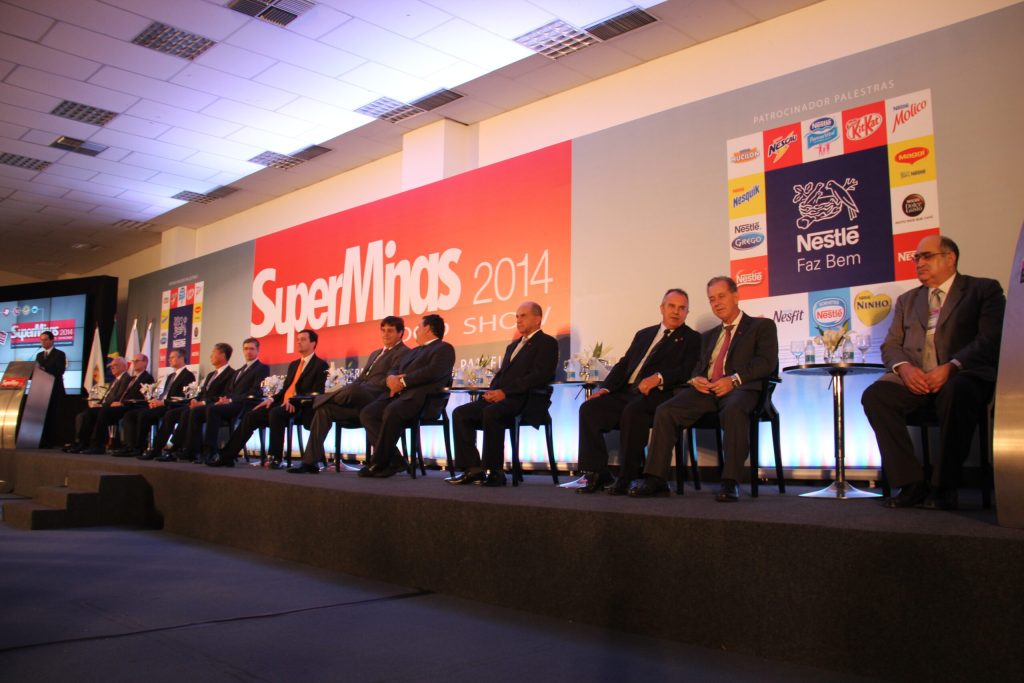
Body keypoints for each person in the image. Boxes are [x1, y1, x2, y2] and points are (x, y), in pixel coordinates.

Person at [861, 234, 1005, 510]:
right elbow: (891, 345)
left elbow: (989, 340)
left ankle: (944, 486)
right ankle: (911, 484)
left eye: (926, 256)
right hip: (916, 379)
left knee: (955, 391)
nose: (919, 263)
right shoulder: (907, 300)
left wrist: (952, 367)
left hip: (961, 376)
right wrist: (905, 369)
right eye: (916, 258)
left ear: (950, 258)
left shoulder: (983, 290)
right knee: (875, 396)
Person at [633, 277, 778, 500]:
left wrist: (734, 380)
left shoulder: (761, 326)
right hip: (707, 391)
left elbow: (765, 362)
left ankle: (730, 481)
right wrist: (695, 380)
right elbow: (696, 368)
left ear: (736, 296)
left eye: (721, 296)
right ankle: (656, 478)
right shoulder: (708, 336)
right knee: (666, 410)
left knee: (734, 409)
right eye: (712, 299)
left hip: (740, 389)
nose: (716, 303)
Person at [574, 289, 701, 494]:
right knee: (590, 409)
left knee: (633, 411)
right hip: (626, 391)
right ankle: (597, 473)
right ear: (662, 308)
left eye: (682, 308)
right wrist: (605, 388)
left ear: (687, 312)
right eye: (671, 306)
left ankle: (628, 476)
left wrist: (659, 378)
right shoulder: (644, 334)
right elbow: (624, 364)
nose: (676, 312)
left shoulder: (692, 338)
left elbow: (687, 370)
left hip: (658, 394)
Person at [448, 302, 559, 487]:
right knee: (460, 413)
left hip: (526, 400)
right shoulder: (513, 346)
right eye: (517, 317)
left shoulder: (547, 343)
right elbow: (501, 375)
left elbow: (540, 375)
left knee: (492, 413)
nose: (518, 320)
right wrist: (492, 391)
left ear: (538, 319)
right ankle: (473, 469)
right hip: (503, 397)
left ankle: (495, 472)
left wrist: (505, 392)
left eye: (523, 316)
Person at [288, 317, 408, 474]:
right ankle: (309, 462)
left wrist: (359, 387)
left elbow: (391, 379)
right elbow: (361, 378)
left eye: (390, 331)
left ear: (400, 333)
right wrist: (354, 387)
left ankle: (316, 400)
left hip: (378, 398)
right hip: (360, 402)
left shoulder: (404, 353)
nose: (385, 334)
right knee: (325, 409)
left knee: (352, 390)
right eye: (383, 330)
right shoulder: (375, 353)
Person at [358, 314, 455, 478]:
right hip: (400, 397)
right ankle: (395, 460)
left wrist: (403, 381)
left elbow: (432, 372)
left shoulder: (444, 348)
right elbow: (395, 368)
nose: (416, 331)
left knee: (392, 411)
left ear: (428, 329)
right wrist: (390, 378)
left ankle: (379, 463)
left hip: (423, 401)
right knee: (368, 413)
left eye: (419, 327)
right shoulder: (414, 351)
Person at [218, 329, 328, 468]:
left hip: (301, 406)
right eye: (298, 339)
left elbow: (317, 393)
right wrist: (271, 399)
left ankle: (275, 458)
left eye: (303, 339)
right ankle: (227, 456)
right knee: (251, 415)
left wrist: (293, 400)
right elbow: (285, 389)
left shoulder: (320, 365)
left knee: (276, 413)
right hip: (283, 403)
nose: (299, 342)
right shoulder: (294, 364)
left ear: (313, 343)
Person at [198, 338, 269, 466]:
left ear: (258, 350)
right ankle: (205, 450)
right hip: (232, 403)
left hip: (245, 404)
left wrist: (231, 399)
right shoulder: (239, 370)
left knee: (213, 409)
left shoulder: (262, 368)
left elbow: (256, 391)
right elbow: (229, 390)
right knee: (209, 408)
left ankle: (210, 451)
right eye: (246, 349)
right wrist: (224, 399)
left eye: (252, 349)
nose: (248, 351)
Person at [113, 348, 195, 457]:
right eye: (169, 357)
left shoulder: (188, 375)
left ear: (181, 358)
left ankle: (146, 448)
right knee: (130, 415)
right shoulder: (171, 376)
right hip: (163, 404)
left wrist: (163, 402)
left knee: (145, 415)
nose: (169, 359)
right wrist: (155, 401)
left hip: (172, 406)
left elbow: (183, 397)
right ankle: (130, 446)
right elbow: (165, 393)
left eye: (172, 357)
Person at [80, 354, 154, 454]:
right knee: (90, 412)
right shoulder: (132, 378)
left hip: (131, 406)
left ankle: (98, 445)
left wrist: (121, 402)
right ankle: (84, 443)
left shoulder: (147, 378)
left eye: (137, 361)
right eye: (133, 361)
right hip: (122, 405)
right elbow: (123, 393)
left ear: (145, 363)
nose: (134, 363)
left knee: (104, 412)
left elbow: (140, 396)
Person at [64, 355, 128, 452]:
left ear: (124, 366)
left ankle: (98, 445)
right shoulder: (114, 380)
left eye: (115, 365)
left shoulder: (126, 378)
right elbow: (106, 397)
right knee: (87, 413)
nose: (112, 367)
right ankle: (83, 443)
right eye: (111, 366)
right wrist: (99, 403)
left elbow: (118, 396)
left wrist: (102, 405)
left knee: (101, 412)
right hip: (106, 407)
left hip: (116, 408)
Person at [36, 330, 67, 448]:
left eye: (45, 340)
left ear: (52, 340)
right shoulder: (39, 355)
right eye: (41, 340)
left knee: (53, 417)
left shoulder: (59, 354)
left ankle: (52, 441)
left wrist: (45, 370)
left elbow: (60, 370)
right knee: (42, 416)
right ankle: (42, 440)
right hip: (42, 390)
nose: (43, 342)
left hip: (55, 390)